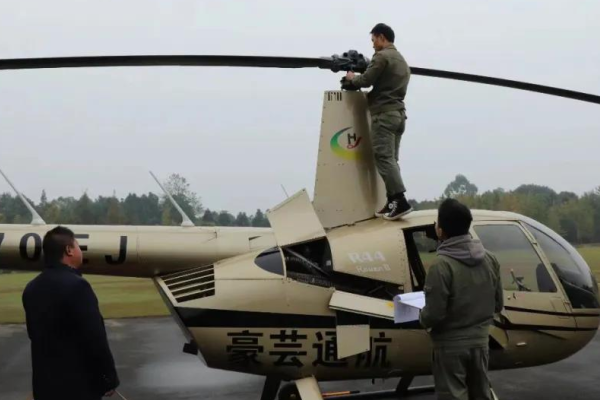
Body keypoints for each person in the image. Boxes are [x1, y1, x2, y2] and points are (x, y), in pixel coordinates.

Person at [22, 226, 120, 400]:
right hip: (78, 387)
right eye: (77, 246)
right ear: (68, 250)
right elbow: (95, 337)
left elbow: (33, 335)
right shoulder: (78, 286)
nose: (79, 251)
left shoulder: (31, 288)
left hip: (44, 386)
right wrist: (108, 377)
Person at [420, 199, 503, 400]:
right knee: (481, 395)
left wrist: (421, 316)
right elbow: (498, 304)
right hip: (481, 344)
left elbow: (434, 314)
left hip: (450, 348)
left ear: (441, 230)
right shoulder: (490, 259)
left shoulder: (441, 265)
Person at [344, 23, 412, 220]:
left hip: (384, 116)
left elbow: (365, 80)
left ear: (381, 37)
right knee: (391, 159)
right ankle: (392, 201)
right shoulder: (401, 60)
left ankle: (400, 200)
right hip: (399, 116)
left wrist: (351, 78)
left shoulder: (382, 57)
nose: (372, 44)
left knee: (383, 158)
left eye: (373, 40)